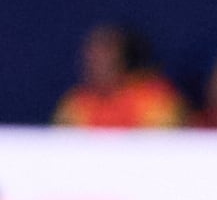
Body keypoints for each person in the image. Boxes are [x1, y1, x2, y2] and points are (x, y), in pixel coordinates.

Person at [52, 25, 182, 129]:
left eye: (105, 53)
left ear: (125, 57)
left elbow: (166, 149)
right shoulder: (76, 105)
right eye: (91, 55)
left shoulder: (154, 100)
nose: (94, 61)